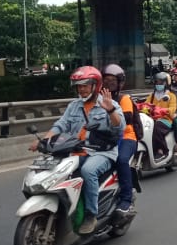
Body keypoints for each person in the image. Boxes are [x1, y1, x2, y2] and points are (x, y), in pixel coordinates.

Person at [30, 66, 124, 234]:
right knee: (53, 171)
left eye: (84, 85)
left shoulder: (109, 104)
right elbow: (61, 125)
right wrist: (43, 140)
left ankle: (91, 215)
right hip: (74, 151)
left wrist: (110, 110)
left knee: (88, 171)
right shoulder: (74, 106)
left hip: (101, 152)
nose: (81, 89)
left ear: (95, 85)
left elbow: (119, 128)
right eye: (78, 86)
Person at [102, 64, 139, 214]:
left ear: (119, 83)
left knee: (121, 160)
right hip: (104, 138)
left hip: (126, 137)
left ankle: (126, 200)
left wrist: (110, 109)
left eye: (112, 80)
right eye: (106, 80)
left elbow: (126, 117)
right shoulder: (97, 99)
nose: (109, 83)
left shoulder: (124, 98)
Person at [145, 72, 177, 159]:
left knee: (156, 128)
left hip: (165, 120)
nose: (158, 84)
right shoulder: (152, 96)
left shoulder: (171, 96)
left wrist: (163, 111)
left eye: (161, 82)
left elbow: (172, 109)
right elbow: (146, 105)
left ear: (166, 83)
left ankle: (162, 150)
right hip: (152, 119)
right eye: (157, 82)